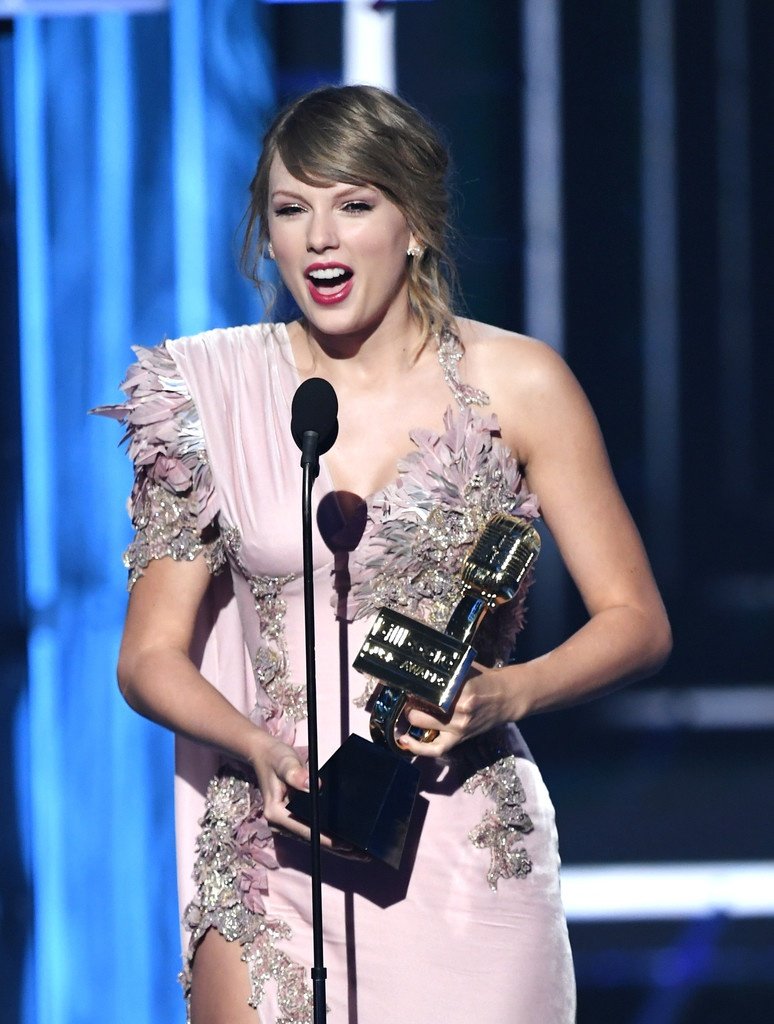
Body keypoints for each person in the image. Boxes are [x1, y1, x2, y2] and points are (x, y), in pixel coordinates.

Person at [95, 84, 671, 1024]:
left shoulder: (518, 382)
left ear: (414, 225)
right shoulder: (207, 393)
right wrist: (253, 746)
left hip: (457, 845)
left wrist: (503, 693)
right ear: (267, 236)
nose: (320, 236)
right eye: (292, 210)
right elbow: (149, 655)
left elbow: (636, 622)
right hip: (272, 842)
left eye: (354, 204)